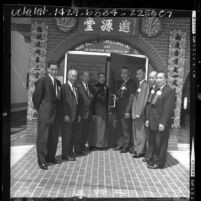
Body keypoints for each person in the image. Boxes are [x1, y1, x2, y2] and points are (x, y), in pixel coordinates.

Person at [32, 61, 61, 170]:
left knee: (53, 138)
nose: (54, 71)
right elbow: (36, 97)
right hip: (45, 114)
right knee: (43, 139)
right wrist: (40, 110)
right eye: (52, 69)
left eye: (56, 69)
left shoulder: (58, 82)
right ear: (48, 69)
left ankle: (51, 157)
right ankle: (42, 161)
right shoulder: (42, 81)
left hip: (55, 115)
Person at [146, 72, 175, 169]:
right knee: (153, 142)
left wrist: (163, 123)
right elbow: (150, 104)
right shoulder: (155, 89)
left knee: (161, 144)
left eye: (160, 78)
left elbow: (168, 109)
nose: (158, 80)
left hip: (160, 123)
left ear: (165, 79)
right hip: (152, 121)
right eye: (157, 78)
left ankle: (159, 163)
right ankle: (153, 159)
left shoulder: (168, 91)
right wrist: (147, 119)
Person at [113, 66, 137, 153]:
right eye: (121, 73)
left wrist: (127, 111)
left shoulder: (131, 84)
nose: (123, 75)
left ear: (128, 74)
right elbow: (121, 95)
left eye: (125, 73)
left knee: (125, 129)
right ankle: (120, 144)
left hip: (125, 111)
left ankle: (126, 146)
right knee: (119, 128)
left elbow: (131, 98)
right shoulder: (122, 83)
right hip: (119, 110)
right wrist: (117, 98)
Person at [61, 69, 81, 161]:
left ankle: (70, 151)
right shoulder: (64, 87)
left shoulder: (76, 88)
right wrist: (65, 114)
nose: (74, 78)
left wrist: (79, 114)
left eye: (75, 76)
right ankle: (65, 155)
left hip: (75, 115)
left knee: (72, 135)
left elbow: (78, 103)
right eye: (72, 76)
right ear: (68, 76)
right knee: (66, 136)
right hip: (68, 116)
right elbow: (63, 102)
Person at [129, 67, 150, 158]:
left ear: (144, 74)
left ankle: (140, 151)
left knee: (140, 133)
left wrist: (139, 112)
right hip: (135, 113)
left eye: (140, 73)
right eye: (137, 74)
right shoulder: (139, 85)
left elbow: (143, 100)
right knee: (136, 132)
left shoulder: (145, 85)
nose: (138, 75)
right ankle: (137, 149)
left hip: (139, 114)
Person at [89, 73, 109, 150]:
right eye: (100, 77)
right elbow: (92, 101)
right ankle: (93, 144)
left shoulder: (106, 87)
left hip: (103, 109)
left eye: (103, 77)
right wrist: (93, 112)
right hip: (97, 109)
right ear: (98, 78)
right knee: (95, 127)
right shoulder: (94, 87)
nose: (102, 78)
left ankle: (101, 144)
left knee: (103, 127)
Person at [75, 71, 93, 155]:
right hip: (81, 114)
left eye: (88, 76)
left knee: (85, 132)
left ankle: (82, 147)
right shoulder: (78, 86)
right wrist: (78, 114)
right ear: (81, 77)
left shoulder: (89, 87)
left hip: (88, 114)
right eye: (85, 76)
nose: (86, 78)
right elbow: (77, 101)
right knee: (79, 133)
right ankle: (78, 149)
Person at [143, 71, 158, 163]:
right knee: (149, 138)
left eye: (153, 77)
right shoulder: (151, 88)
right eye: (149, 77)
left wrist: (149, 119)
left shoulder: (157, 90)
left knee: (152, 139)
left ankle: (151, 157)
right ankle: (148, 155)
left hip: (152, 119)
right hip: (147, 117)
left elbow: (153, 106)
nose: (150, 79)